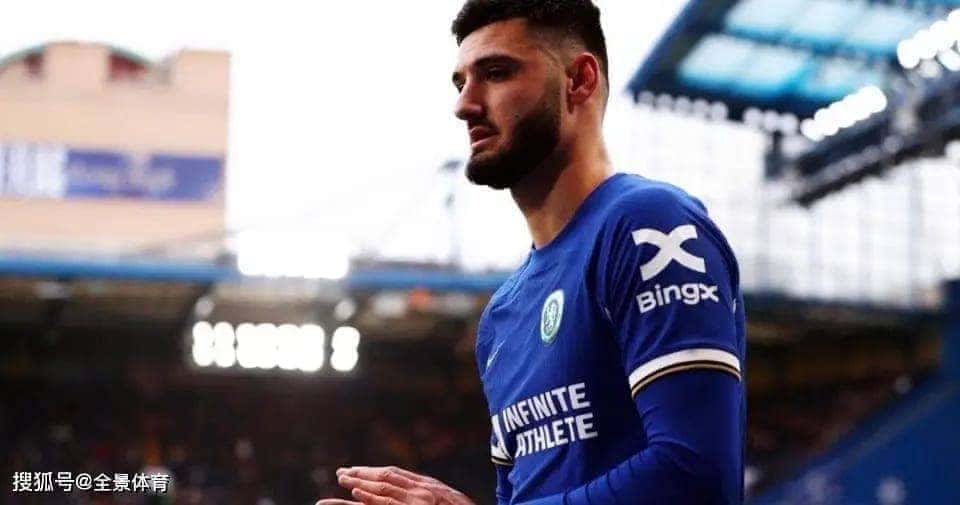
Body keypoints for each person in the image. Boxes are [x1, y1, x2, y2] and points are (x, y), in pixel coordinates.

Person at [317, 1, 745, 503]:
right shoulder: (501, 317)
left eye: (496, 73)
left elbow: (696, 473)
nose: (465, 105)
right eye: (461, 83)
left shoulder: (648, 224)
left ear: (579, 81)